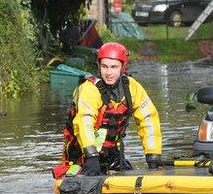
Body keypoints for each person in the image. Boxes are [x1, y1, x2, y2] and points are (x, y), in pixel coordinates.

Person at [54, 42, 163, 178]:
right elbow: (84, 121)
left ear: (123, 67)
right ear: (98, 66)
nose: (109, 72)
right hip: (81, 154)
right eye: (104, 67)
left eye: (114, 67)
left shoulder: (132, 88)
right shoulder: (89, 89)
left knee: (125, 170)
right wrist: (91, 154)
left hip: (110, 153)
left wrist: (153, 156)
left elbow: (148, 119)